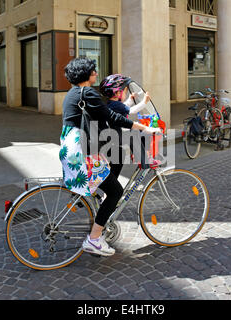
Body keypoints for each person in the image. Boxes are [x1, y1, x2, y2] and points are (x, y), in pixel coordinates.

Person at [60, 57, 162, 257]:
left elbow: (106, 114)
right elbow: (113, 117)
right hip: (84, 152)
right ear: (85, 74)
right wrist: (145, 128)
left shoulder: (72, 94)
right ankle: (94, 239)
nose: (96, 73)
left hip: (71, 148)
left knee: (107, 181)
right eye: (93, 71)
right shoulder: (87, 92)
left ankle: (96, 215)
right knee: (115, 191)